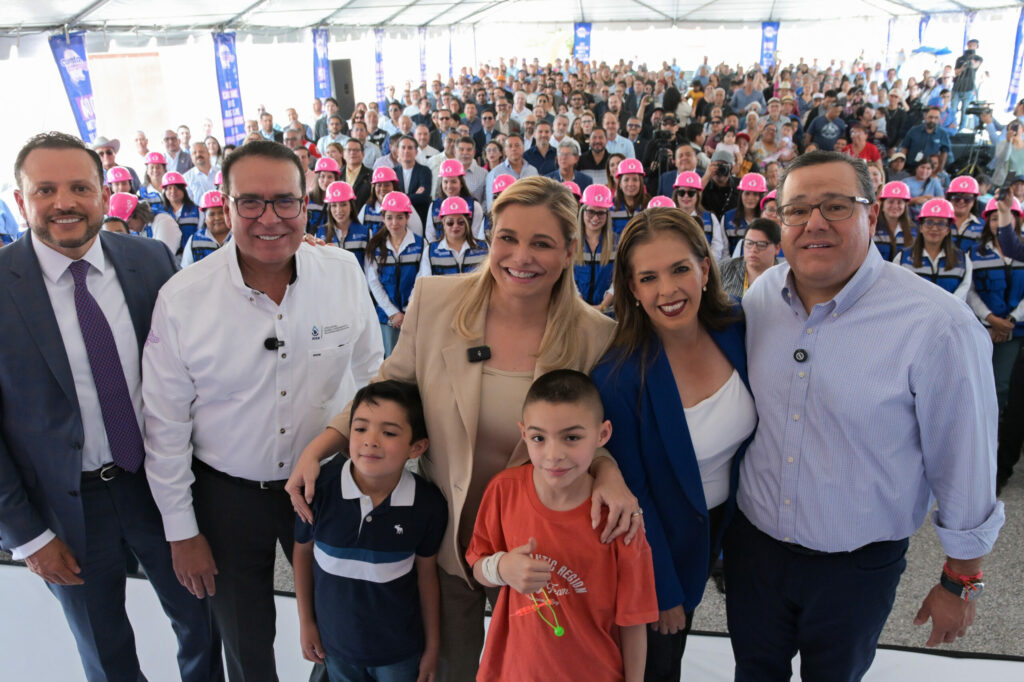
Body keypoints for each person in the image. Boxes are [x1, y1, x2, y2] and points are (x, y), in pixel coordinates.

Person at [286, 176, 644, 682]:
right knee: (450, 670)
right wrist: (321, 447)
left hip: (537, 551)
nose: (521, 256)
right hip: (448, 537)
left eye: (542, 243)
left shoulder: (596, 336)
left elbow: (589, 436)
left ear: (569, 251)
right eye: (507, 238)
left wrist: (609, 476)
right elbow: (391, 386)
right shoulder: (435, 302)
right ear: (488, 236)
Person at [729, 151, 1004, 682]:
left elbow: (965, 460)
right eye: (797, 210)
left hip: (855, 568)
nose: (814, 223)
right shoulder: (763, 296)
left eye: (835, 206)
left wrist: (960, 582)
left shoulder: (936, 324)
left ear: (872, 216)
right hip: (755, 552)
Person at [143, 140, 383, 682]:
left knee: (340, 628)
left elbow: (371, 373)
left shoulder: (343, 273)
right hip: (227, 500)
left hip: (326, 487)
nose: (268, 218)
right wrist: (182, 531)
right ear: (224, 206)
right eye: (250, 202)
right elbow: (165, 428)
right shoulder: (183, 299)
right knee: (246, 643)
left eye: (285, 202)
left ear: (307, 204)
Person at [0, 131, 222, 682]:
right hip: (65, 511)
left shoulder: (149, 261)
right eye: (44, 189)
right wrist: (27, 536)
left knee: (202, 623)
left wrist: (305, 259)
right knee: (105, 651)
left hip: (159, 488)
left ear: (103, 192)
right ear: (19, 198)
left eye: (79, 186)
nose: (64, 203)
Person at [592, 207, 755, 681]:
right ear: (632, 290)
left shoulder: (738, 329)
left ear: (705, 268)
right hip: (655, 556)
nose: (668, 290)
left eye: (680, 268)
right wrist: (661, 591)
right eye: (649, 277)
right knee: (657, 667)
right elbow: (634, 498)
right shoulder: (619, 378)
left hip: (721, 535)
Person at [467, 370, 658, 682]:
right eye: (539, 438)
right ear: (524, 433)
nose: (553, 455)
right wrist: (501, 568)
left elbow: (633, 622)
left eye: (572, 437)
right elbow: (477, 561)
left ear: (602, 434)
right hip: (513, 672)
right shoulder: (504, 490)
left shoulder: (620, 520)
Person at [293, 381, 446, 682]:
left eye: (388, 433)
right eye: (360, 429)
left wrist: (432, 647)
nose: (370, 441)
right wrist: (306, 622)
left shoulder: (428, 505)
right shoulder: (318, 489)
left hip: (399, 653)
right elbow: (302, 553)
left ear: (417, 447)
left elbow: (427, 576)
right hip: (335, 649)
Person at [968, 198, 1024, 410]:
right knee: (977, 382)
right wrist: (991, 319)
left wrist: (1010, 320)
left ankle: (996, 430)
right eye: (994, 218)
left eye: (1007, 216)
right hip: (982, 329)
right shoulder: (975, 253)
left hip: (1014, 331)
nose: (999, 222)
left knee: (1001, 384)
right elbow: (970, 291)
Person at [365, 191, 424, 357]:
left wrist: (408, 311)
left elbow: (422, 279)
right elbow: (373, 282)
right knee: (389, 360)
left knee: (414, 359)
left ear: (407, 218)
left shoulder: (420, 244)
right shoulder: (375, 246)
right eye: (389, 217)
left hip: (414, 314)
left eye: (400, 217)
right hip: (387, 317)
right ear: (383, 218)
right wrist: (393, 313)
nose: (394, 222)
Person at [895, 198, 971, 300]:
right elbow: (898, 291)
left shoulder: (963, 260)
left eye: (941, 223)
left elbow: (961, 295)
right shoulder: (902, 258)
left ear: (948, 230)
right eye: (929, 222)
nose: (935, 228)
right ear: (921, 227)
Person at [420, 196, 489, 277]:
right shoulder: (430, 251)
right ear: (443, 224)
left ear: (467, 223)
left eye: (460, 222)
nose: (455, 226)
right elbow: (426, 283)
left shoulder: (484, 248)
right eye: (450, 223)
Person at [575, 184, 618, 312]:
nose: (595, 218)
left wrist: (602, 306)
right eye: (591, 212)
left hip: (608, 312)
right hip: (577, 310)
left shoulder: (617, 243)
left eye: (601, 213)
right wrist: (582, 306)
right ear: (583, 211)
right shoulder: (571, 242)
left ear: (607, 215)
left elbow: (618, 280)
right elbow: (568, 280)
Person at [720, 218, 782, 298]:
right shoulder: (724, 269)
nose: (753, 249)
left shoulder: (784, 279)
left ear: (777, 248)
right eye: (749, 243)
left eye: (761, 244)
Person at [673, 171, 727, 261]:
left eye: (691, 193)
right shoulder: (669, 218)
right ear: (676, 194)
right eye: (681, 192)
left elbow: (717, 247)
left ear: (698, 195)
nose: (686, 196)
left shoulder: (710, 218)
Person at [359, 166, 425, 239]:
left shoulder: (405, 204)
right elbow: (359, 233)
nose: (383, 188)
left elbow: (417, 232)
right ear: (373, 188)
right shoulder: (367, 208)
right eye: (379, 185)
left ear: (394, 186)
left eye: (387, 185)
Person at [431, 159, 484, 242]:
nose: (449, 186)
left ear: (461, 183)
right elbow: (430, 235)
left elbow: (476, 234)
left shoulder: (474, 206)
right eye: (445, 182)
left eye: (454, 182)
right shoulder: (434, 206)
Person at [319, 181, 370, 267]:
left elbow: (369, 269)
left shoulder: (365, 233)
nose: (339, 210)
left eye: (343, 204)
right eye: (334, 205)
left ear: (351, 207)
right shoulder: (320, 234)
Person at [181, 190, 232, 267]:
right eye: (212, 214)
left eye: (221, 213)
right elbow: (185, 270)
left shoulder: (239, 237)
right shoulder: (194, 241)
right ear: (205, 218)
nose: (217, 218)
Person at [722, 173, 766, 255]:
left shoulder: (767, 218)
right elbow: (724, 251)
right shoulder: (727, 217)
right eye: (747, 193)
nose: (750, 198)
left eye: (755, 194)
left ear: (761, 196)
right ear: (741, 194)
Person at [160, 171, 200, 254]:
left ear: (183, 190)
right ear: (165, 191)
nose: (173, 191)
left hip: (191, 254)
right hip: (168, 256)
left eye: (177, 188)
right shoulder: (161, 213)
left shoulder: (197, 211)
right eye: (169, 188)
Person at [874, 181, 914, 261]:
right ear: (882, 204)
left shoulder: (913, 231)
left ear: (905, 206)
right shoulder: (871, 228)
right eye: (891, 202)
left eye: (899, 202)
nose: (895, 206)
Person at [610, 159, 649, 235]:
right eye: (626, 180)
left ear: (641, 183)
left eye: (635, 179)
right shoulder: (611, 206)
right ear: (620, 184)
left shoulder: (649, 206)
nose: (631, 184)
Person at [948, 175, 984, 252]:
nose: (961, 201)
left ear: (974, 201)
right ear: (949, 199)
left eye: (967, 198)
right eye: (957, 198)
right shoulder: (938, 223)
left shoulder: (983, 226)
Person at [307, 157, 340, 237]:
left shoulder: (341, 200)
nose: (325, 181)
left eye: (330, 177)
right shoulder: (308, 199)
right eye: (322, 176)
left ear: (335, 179)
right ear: (317, 178)